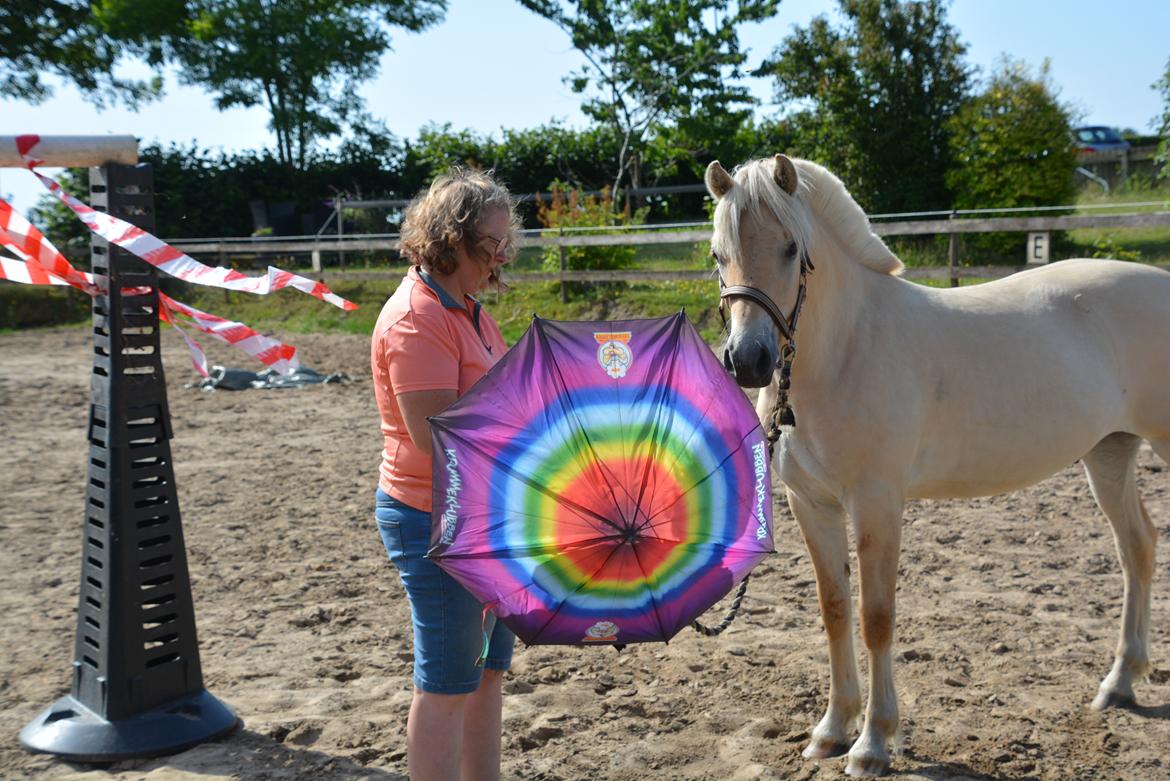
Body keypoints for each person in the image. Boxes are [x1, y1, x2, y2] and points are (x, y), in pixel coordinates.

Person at [371, 168, 518, 781]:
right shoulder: (417, 319)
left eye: (506, 243)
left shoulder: (470, 312)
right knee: (446, 684)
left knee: (485, 673)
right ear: (452, 239)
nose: (502, 256)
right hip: (435, 519)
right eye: (492, 244)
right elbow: (434, 439)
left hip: (484, 512)